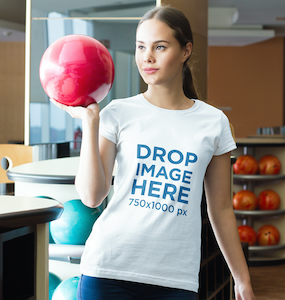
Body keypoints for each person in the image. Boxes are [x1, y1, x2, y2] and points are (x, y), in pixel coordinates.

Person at [51, 5, 256, 300]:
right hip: (108, 271)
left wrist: (242, 279)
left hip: (176, 279)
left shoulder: (213, 122)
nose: (147, 57)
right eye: (141, 47)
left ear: (185, 51)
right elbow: (91, 196)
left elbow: (221, 209)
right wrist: (91, 121)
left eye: (160, 47)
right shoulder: (118, 113)